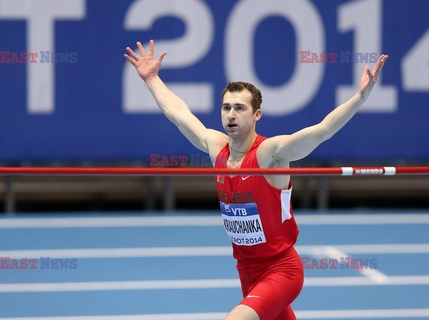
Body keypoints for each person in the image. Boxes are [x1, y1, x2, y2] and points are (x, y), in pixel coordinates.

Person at [124, 40, 388, 320]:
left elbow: (321, 131)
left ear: (257, 114)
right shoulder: (217, 148)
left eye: (239, 108)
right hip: (246, 270)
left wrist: (360, 97)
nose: (231, 114)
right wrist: (152, 78)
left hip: (281, 271)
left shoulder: (270, 155)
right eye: (226, 108)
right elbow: (178, 113)